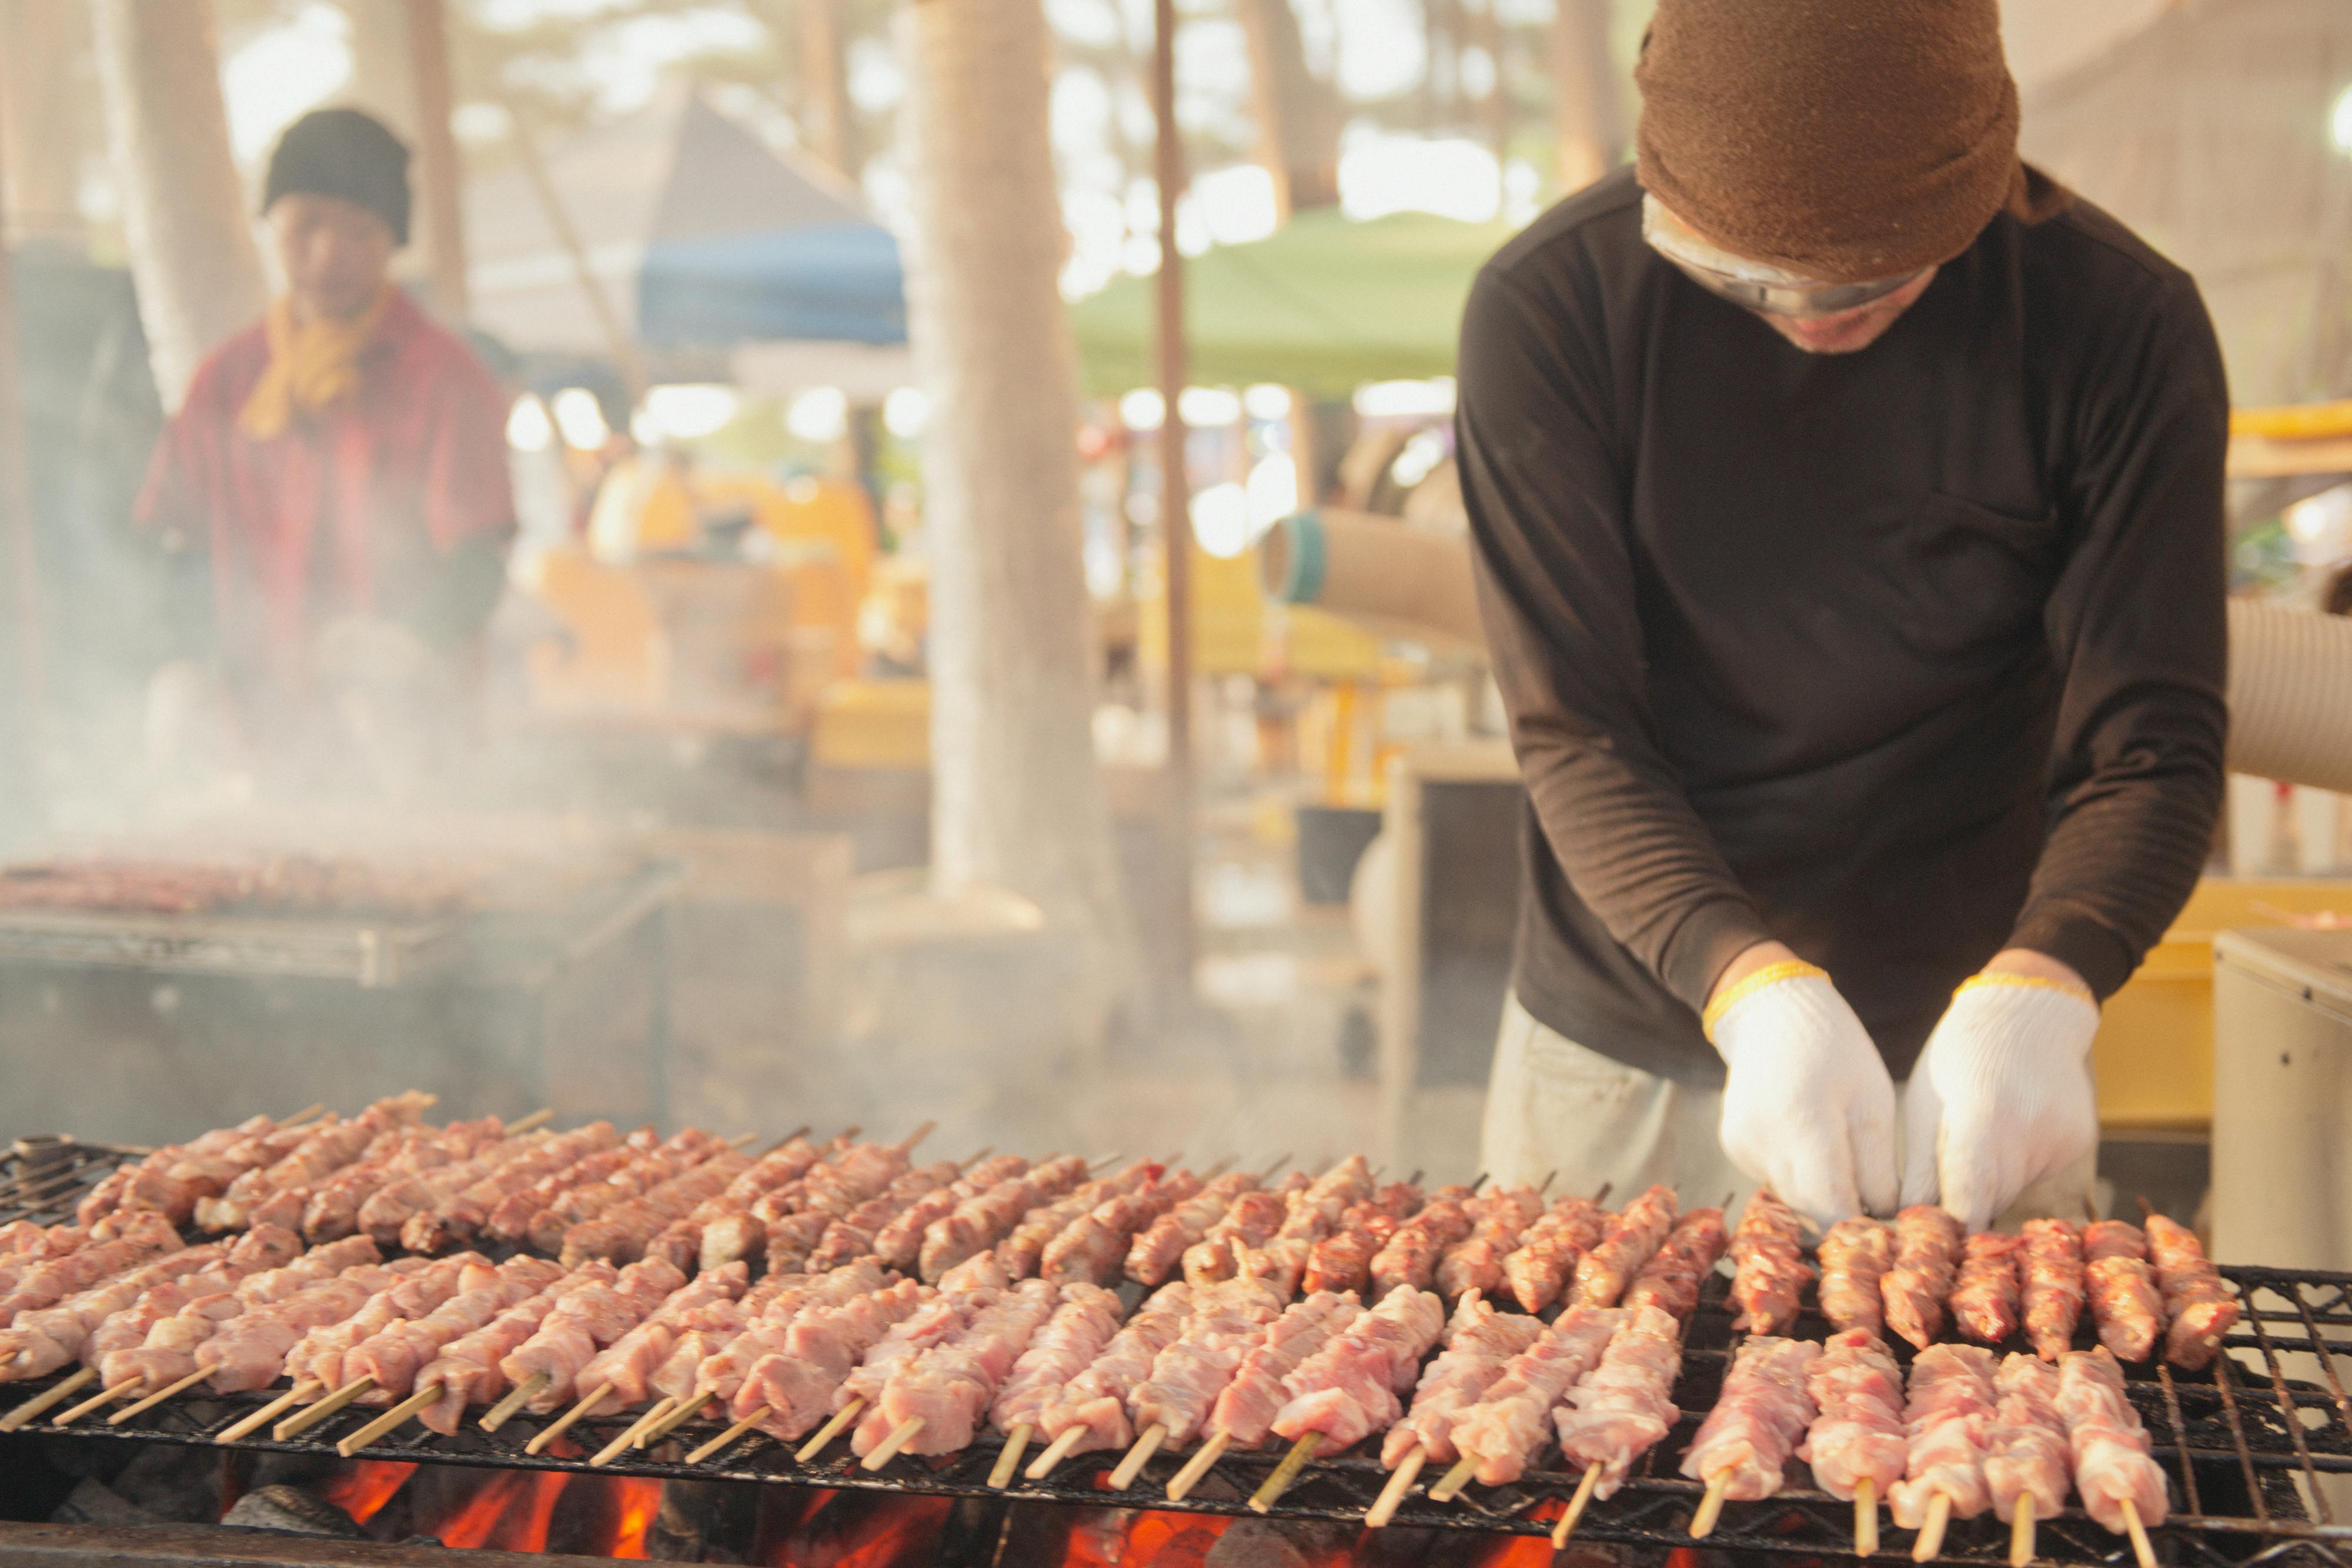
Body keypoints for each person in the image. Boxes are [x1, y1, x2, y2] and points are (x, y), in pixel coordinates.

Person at [1459, 0, 2227, 1230]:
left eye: (1877, 273)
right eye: (1741, 276)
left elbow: (2151, 744)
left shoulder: (2114, 326)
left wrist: (2046, 987)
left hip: (1969, 1045)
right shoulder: (1551, 310)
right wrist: (1746, 986)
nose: (1810, 311)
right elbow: (1575, 728)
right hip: (1629, 1026)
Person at [138, 107, 514, 775]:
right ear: (272, 225)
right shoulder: (228, 379)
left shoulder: (446, 378)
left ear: (393, 239)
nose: (327, 255)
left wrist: (409, 641)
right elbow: (184, 548)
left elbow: (480, 559)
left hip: (409, 738)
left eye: (360, 230)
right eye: (306, 224)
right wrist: (183, 661)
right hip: (257, 730)